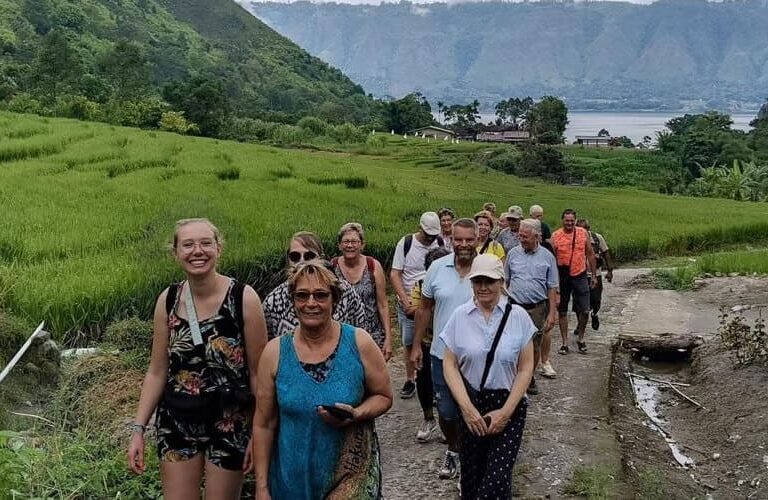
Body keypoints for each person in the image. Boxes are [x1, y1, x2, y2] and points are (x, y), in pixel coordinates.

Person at [127, 218, 268, 500]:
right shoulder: (168, 300)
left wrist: (258, 432)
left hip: (230, 422)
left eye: (205, 243)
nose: (197, 251)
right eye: (188, 245)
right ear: (176, 253)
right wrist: (138, 428)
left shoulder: (243, 299)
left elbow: (258, 374)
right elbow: (157, 371)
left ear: (218, 248)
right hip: (177, 420)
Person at [252, 261, 392, 499]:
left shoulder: (359, 343)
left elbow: (384, 395)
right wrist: (262, 487)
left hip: (350, 477)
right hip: (291, 481)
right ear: (293, 301)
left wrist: (357, 413)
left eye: (320, 295)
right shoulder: (275, 353)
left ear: (334, 300)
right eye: (302, 295)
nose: (311, 303)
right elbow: (264, 424)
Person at [441, 254, 535, 499]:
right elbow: (449, 364)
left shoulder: (518, 317)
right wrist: (467, 409)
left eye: (489, 281)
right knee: (473, 478)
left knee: (496, 479)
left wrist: (506, 413)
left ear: (501, 282)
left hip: (509, 403)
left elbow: (526, 368)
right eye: (478, 281)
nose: (483, 287)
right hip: (472, 402)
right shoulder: (460, 316)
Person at [411, 218, 478, 480]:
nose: (464, 244)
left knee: (475, 409)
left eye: (469, 239)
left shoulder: (487, 268)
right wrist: (417, 345)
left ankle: (472, 457)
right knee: (447, 412)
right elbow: (424, 309)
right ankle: (453, 448)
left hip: (478, 357)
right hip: (442, 354)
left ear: (476, 240)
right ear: (451, 240)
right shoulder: (437, 268)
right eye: (458, 239)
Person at [262, 231, 366, 341]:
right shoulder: (273, 301)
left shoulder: (345, 291)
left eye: (309, 256)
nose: (302, 261)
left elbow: (360, 331)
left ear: (321, 258)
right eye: (295, 256)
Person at [390, 212, 444, 399]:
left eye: (433, 235)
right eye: (427, 234)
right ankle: (410, 378)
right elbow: (395, 274)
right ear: (420, 228)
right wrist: (405, 301)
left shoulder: (440, 243)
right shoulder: (406, 243)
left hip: (432, 301)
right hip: (409, 300)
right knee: (410, 341)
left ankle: (432, 380)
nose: (430, 239)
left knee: (432, 341)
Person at [505, 219, 559, 389]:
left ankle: (528, 377)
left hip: (536, 308)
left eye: (525, 237)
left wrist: (552, 313)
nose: (521, 239)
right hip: (515, 306)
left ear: (537, 236)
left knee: (534, 345)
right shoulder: (513, 254)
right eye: (520, 236)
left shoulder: (548, 257)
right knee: (512, 344)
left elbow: (552, 287)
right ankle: (513, 377)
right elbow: (505, 281)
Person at [406, 246, 451, 443]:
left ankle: (448, 422)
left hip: (450, 344)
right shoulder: (421, 285)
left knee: (449, 384)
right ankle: (428, 418)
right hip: (427, 341)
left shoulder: (456, 285)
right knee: (424, 381)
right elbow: (413, 310)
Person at [332, 222, 392, 361]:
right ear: (339, 245)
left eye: (354, 241)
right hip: (341, 337)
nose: (350, 245)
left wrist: (388, 338)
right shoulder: (332, 267)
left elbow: (383, 305)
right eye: (346, 241)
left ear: (362, 245)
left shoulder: (373, 266)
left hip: (372, 334)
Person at [551, 209, 597, 354]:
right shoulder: (556, 236)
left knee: (585, 310)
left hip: (580, 274)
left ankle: (581, 338)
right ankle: (564, 343)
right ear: (562, 220)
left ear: (575, 221)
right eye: (567, 220)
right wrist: (554, 282)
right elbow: (551, 260)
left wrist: (594, 275)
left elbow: (590, 253)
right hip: (563, 275)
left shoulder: (583, 233)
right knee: (562, 311)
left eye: (572, 221)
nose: (569, 223)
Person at [576, 219, 615, 331]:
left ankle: (594, 314)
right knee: (578, 302)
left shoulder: (597, 238)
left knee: (596, 300)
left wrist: (610, 271)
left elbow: (606, 253)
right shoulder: (573, 238)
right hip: (579, 275)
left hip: (595, 274)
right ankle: (580, 324)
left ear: (588, 229)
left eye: (583, 230)